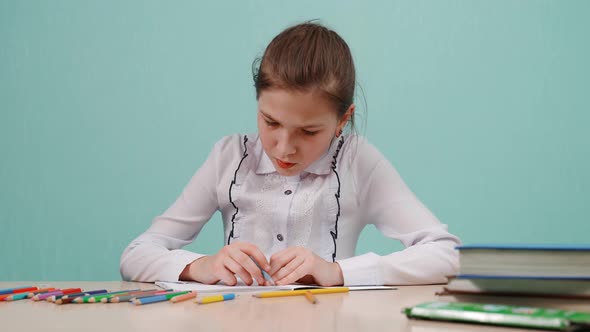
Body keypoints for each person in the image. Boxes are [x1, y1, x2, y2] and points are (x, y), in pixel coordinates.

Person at [120, 22, 460, 287]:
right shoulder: (228, 158)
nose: (284, 147)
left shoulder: (357, 161)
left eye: (308, 132)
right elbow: (135, 255)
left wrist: (337, 272)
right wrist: (200, 266)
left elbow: (448, 255)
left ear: (343, 119)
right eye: (270, 122)